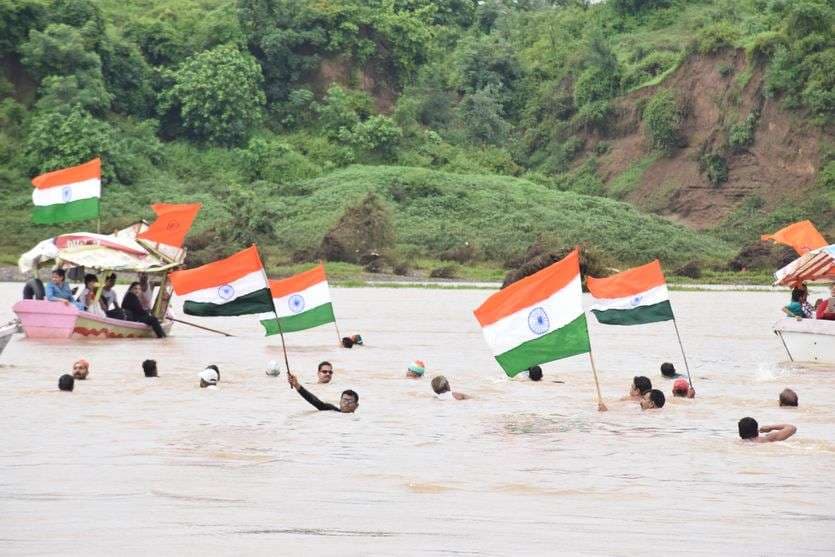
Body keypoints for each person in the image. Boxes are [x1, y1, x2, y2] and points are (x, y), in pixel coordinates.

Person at [287, 370, 358, 413]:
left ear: (356, 406)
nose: (346, 403)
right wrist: (297, 385)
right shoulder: (332, 410)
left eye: (350, 401)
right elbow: (315, 401)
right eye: (344, 400)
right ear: (340, 401)